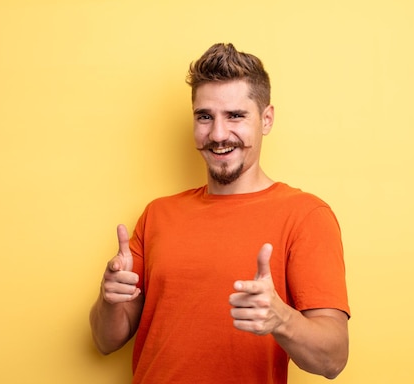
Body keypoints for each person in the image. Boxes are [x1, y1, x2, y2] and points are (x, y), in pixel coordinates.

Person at [89, 43, 350, 383]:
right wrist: (110, 298)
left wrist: (280, 319)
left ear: (266, 119)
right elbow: (105, 340)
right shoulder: (158, 214)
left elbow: (333, 360)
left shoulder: (306, 215)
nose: (218, 134)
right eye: (205, 116)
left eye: (236, 116)